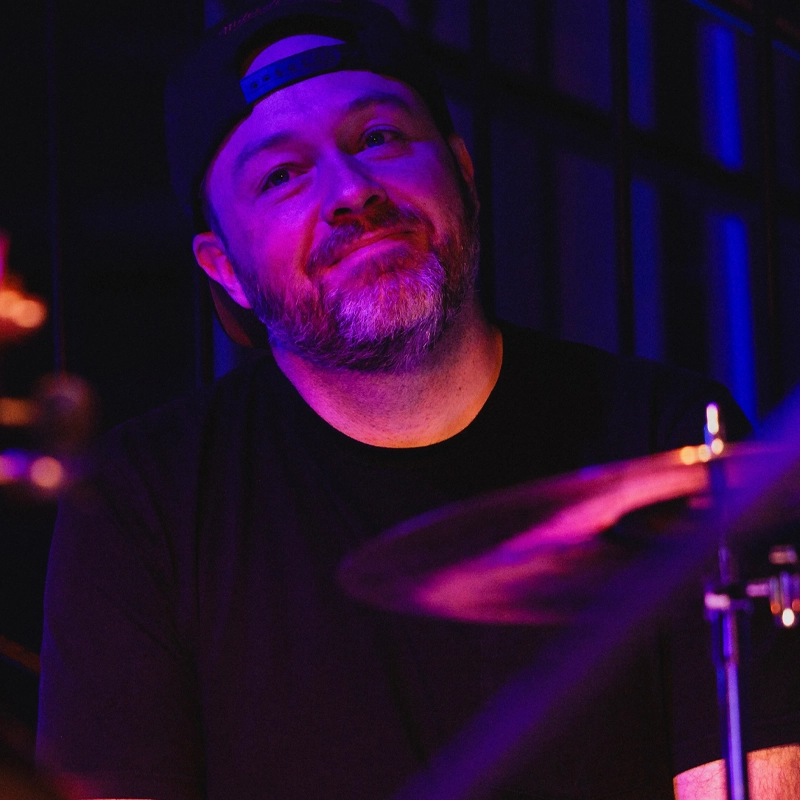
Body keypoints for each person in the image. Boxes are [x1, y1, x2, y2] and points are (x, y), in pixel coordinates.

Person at [36, 2, 800, 798]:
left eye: (379, 138)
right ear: (223, 266)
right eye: (281, 176)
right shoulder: (143, 503)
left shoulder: (668, 440)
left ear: (462, 173)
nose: (350, 192)